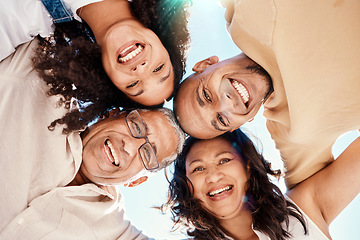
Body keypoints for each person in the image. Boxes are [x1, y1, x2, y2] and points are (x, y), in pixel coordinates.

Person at [0, 39, 185, 239]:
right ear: (110, 114)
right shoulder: (43, 76)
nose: (129, 146)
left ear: (136, 182)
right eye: (137, 126)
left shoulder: (117, 233)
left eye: (148, 154)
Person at [174, 0, 360, 188]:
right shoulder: (293, 133)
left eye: (206, 96)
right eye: (222, 120)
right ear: (240, 124)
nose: (226, 104)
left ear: (206, 64)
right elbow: (316, 203)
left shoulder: (240, 8)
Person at [163, 129, 360, 240]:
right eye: (198, 169)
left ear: (247, 168)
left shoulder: (303, 208)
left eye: (224, 160)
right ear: (187, 187)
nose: (213, 176)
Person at [1, 0, 191, 106]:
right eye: (158, 69)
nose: (140, 69)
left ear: (106, 78)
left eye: (133, 84)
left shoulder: (21, 21)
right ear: (163, 42)